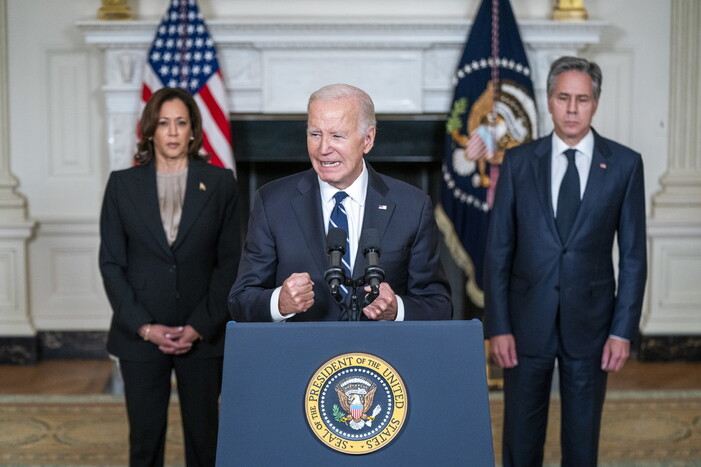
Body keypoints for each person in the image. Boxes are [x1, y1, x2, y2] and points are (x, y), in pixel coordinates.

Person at [483, 56, 647, 466]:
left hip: (592, 326)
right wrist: (498, 326)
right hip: (524, 325)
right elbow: (498, 251)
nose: (572, 108)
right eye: (563, 98)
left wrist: (622, 332)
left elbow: (632, 256)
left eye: (582, 99)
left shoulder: (625, 165)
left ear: (595, 103)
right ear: (549, 100)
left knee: (581, 444)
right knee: (520, 443)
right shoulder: (519, 162)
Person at [99, 87, 242, 467]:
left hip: (205, 335)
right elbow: (111, 263)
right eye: (164, 123)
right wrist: (144, 327)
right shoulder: (121, 185)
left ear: (194, 130)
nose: (173, 132)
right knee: (145, 443)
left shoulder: (220, 183)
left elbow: (230, 263)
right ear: (149, 130)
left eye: (181, 123)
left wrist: (199, 325)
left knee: (205, 442)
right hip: (140, 337)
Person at [228, 83, 451, 322]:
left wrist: (397, 308)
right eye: (315, 134)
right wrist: (278, 303)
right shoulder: (273, 203)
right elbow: (240, 300)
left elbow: (439, 305)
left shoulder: (411, 206)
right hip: (301, 355)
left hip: (381, 356)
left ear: (368, 139)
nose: (323, 148)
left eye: (337, 136)